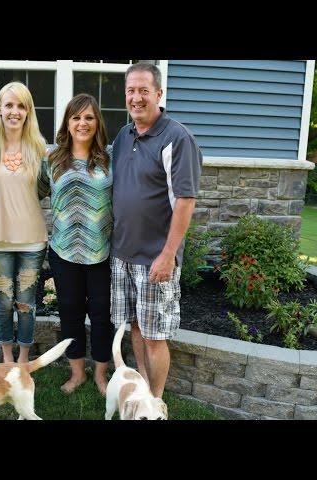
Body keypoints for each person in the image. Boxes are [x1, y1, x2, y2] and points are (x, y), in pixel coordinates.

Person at [110, 63, 202, 398]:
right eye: (131, 91)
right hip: (121, 254)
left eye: (143, 91)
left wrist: (167, 255)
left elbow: (185, 202)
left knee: (154, 335)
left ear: (159, 94)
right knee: (136, 328)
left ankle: (156, 400)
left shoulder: (177, 137)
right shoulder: (124, 135)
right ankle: (143, 395)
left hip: (155, 258)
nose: (136, 98)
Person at [39, 94, 114, 395]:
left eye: (89, 118)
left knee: (101, 315)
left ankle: (100, 375)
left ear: (97, 123)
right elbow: (35, 193)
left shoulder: (110, 158)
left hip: (102, 252)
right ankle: (76, 373)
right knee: (69, 312)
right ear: (67, 123)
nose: (82, 123)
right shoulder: (52, 159)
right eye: (76, 117)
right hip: (63, 251)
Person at [0, 82, 48, 364]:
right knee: (5, 301)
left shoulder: (38, 146)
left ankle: (23, 359)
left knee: (26, 301)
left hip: (33, 239)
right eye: (9, 105)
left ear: (28, 111)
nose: (14, 111)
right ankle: (7, 358)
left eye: (21, 106)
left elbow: (47, 188)